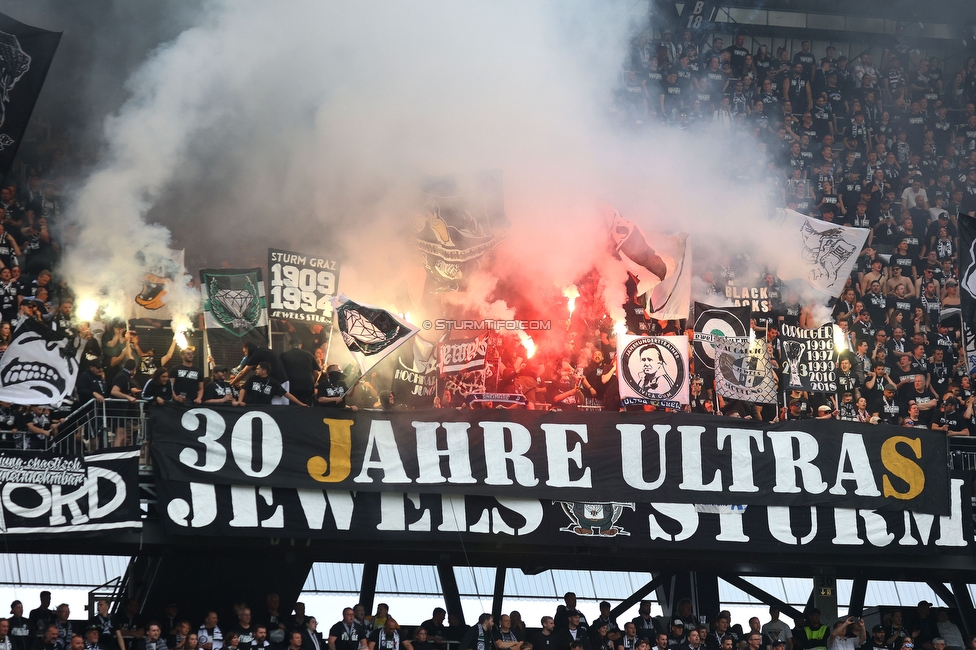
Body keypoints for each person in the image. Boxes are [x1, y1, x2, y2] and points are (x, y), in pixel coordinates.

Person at [237, 362, 308, 407]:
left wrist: (300, 404)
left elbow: (286, 394)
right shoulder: (252, 379)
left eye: (258, 369)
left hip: (265, 410)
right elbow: (243, 389)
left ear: (264, 371)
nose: (256, 370)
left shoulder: (273, 383)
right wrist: (240, 401)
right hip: (250, 407)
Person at [280, 338, 319, 406]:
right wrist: (314, 381)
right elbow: (316, 371)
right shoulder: (309, 354)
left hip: (291, 384)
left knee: (292, 406)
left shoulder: (283, 355)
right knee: (307, 406)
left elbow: (280, 370)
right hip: (307, 384)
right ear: (300, 345)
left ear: (289, 345)